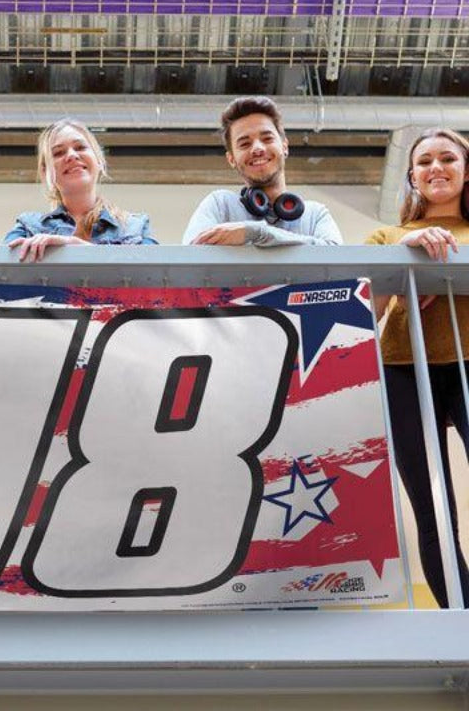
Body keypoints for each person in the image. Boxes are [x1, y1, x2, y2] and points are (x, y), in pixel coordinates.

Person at [367, 128, 469, 609]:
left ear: (465, 171)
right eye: (424, 162)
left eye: (447, 158)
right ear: (411, 177)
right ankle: (459, 617)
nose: (436, 168)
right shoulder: (389, 235)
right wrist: (408, 258)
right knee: (432, 511)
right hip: (404, 370)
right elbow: (367, 310)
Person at [182, 96, 342, 247]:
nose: (257, 148)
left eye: (267, 139)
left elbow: (339, 258)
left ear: (284, 147)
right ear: (231, 159)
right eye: (245, 144)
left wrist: (255, 232)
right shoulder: (220, 205)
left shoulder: (314, 215)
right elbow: (187, 259)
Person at [5, 118, 157, 261]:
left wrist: (77, 247)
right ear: (45, 173)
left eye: (80, 147)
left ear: (99, 161)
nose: (71, 155)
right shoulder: (27, 227)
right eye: (58, 153)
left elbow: (155, 279)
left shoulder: (135, 227)